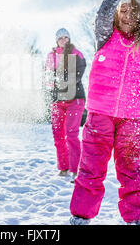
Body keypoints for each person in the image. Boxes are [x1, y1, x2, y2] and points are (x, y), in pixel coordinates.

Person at [69, 0, 140, 225]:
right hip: (99, 115)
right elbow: (105, 7)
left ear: (139, 18)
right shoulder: (105, 35)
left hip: (131, 119)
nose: (127, 15)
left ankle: (137, 219)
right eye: (123, 10)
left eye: (133, 12)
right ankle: (81, 216)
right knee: (91, 168)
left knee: (134, 171)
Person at [45, 28, 86, 183]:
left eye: (66, 37)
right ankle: (63, 168)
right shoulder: (51, 56)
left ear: (69, 39)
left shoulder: (76, 53)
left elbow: (77, 74)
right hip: (57, 100)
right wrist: (52, 84)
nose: (63, 40)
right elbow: (48, 77)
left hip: (74, 99)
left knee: (71, 134)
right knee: (58, 135)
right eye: (60, 38)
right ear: (56, 40)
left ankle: (77, 170)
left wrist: (61, 80)